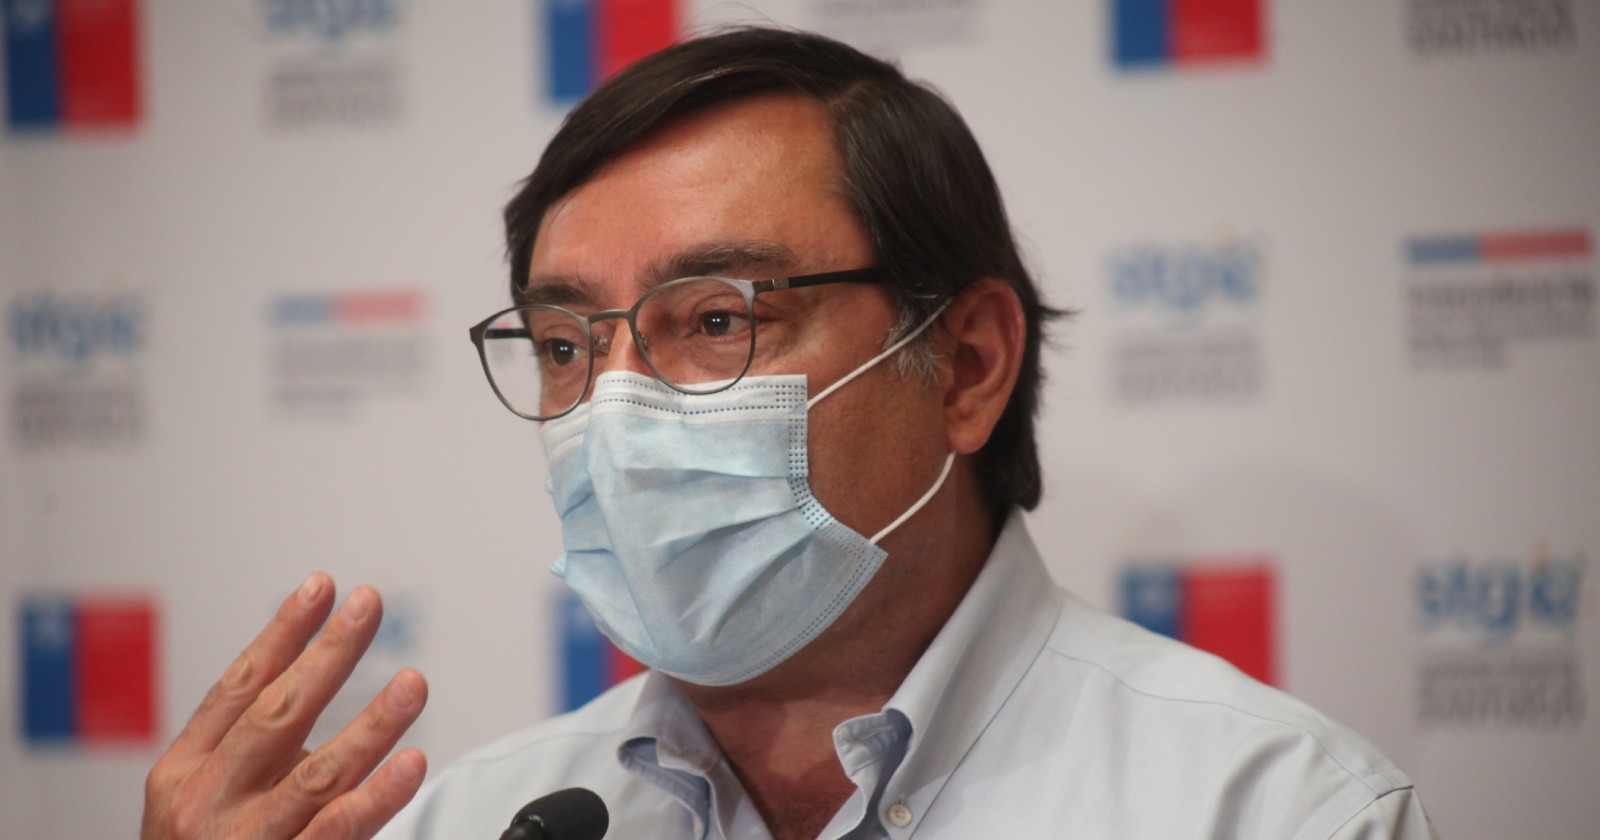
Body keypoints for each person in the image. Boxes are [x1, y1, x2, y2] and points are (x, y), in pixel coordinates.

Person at [141, 27, 1437, 840]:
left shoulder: (1273, 811)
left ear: (967, 365)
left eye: (717, 320)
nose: (616, 409)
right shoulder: (482, 824)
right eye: (566, 344)